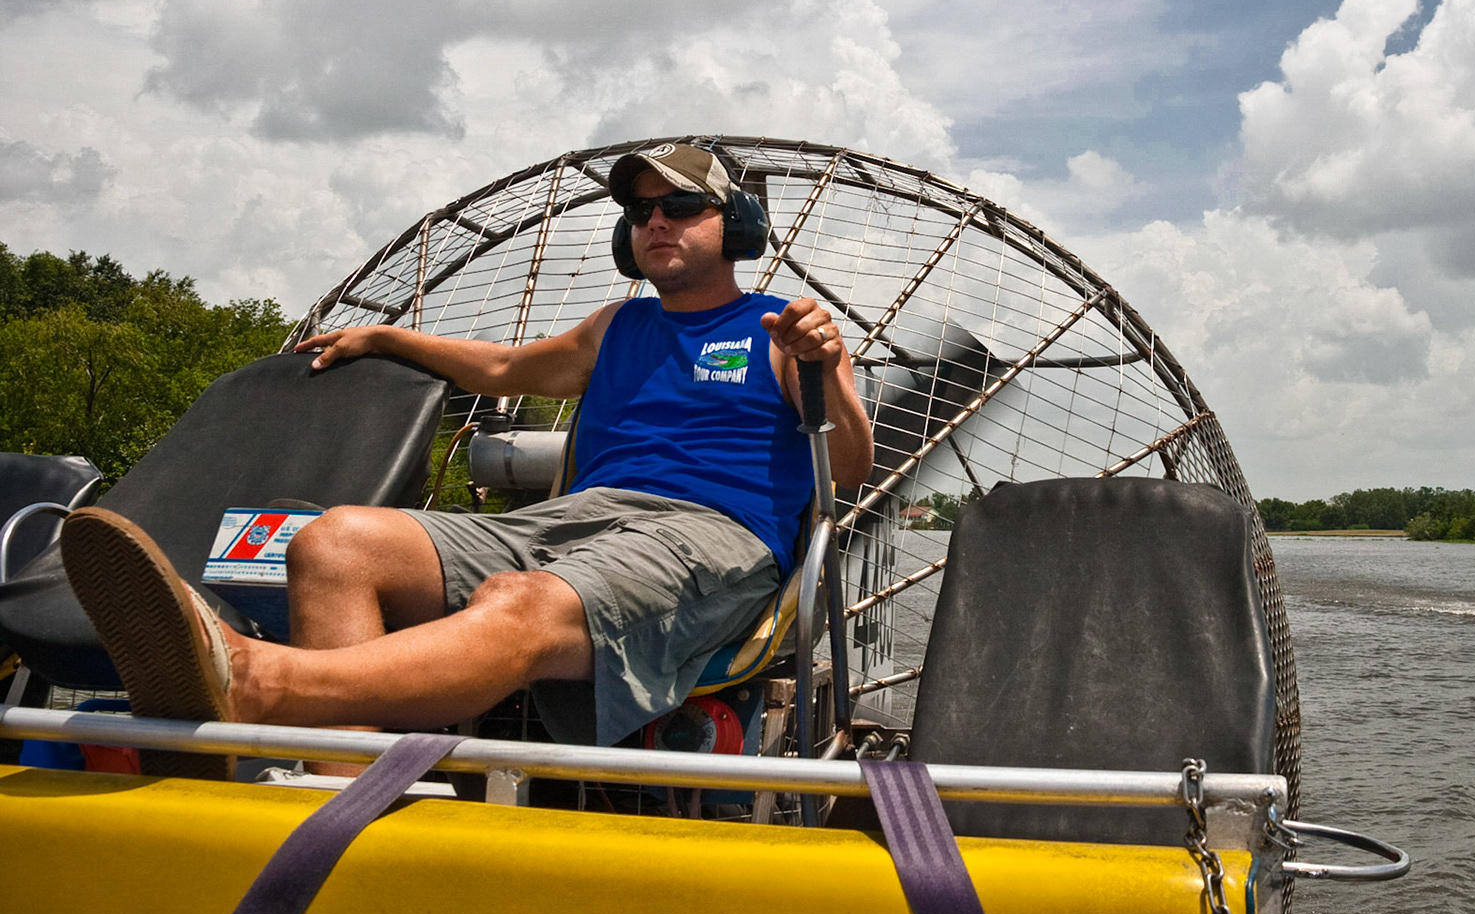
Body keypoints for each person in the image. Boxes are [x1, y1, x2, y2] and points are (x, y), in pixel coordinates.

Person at [60, 142, 877, 778]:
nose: (655, 222)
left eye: (681, 207)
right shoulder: (615, 328)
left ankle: (258, 684)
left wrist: (823, 373)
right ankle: (334, 789)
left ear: (730, 226)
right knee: (335, 541)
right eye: (639, 212)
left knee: (516, 602)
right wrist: (385, 335)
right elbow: (499, 370)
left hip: (706, 540)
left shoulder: (784, 330)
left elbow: (846, 470)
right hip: (576, 523)